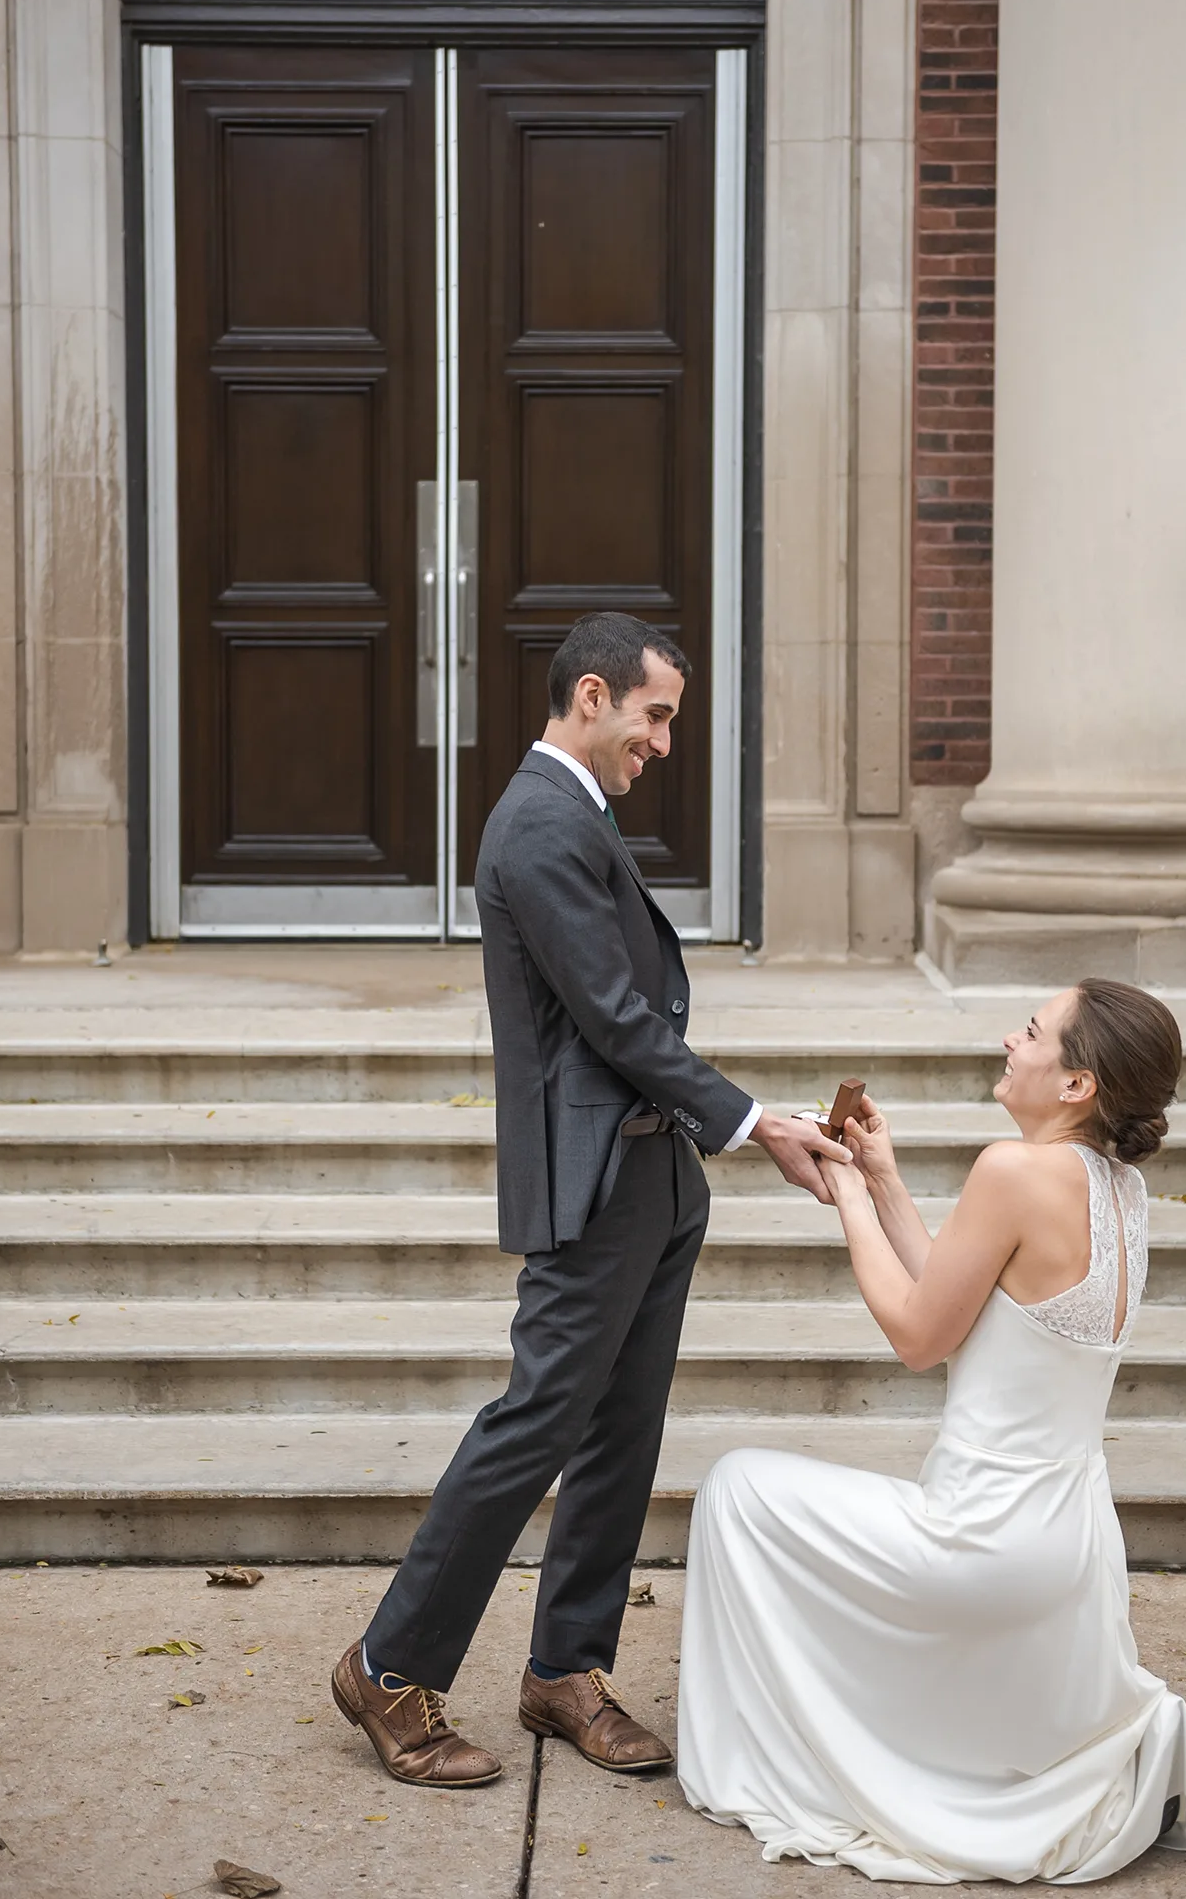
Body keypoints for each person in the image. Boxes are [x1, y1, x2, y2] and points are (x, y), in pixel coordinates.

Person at [332, 610, 849, 1787]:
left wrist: (704, 1140)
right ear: (592, 698)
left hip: (655, 1172)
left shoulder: (580, 818)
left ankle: (566, 1668)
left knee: (622, 1433)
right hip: (596, 1177)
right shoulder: (537, 821)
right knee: (534, 1424)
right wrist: (756, 1119)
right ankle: (390, 1664)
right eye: (655, 713)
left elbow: (625, 1021)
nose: (664, 740)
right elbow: (615, 1017)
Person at [678, 978, 1186, 1883]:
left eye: (1031, 1032)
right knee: (764, 1496)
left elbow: (917, 1335)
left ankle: (781, 1759)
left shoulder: (1011, 1170)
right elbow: (968, 1300)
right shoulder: (1119, 1189)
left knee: (736, 1488)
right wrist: (886, 1179)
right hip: (1073, 1554)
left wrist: (847, 1193)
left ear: (1075, 1085)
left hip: (981, 1538)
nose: (1008, 1040)